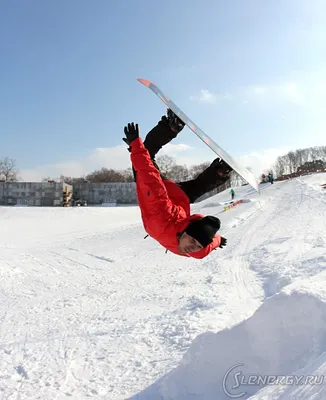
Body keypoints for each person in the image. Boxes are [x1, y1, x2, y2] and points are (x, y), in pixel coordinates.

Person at [122, 109, 232, 258]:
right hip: (169, 196)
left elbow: (208, 244)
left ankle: (172, 127)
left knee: (198, 186)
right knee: (147, 152)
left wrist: (217, 241)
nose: (191, 249)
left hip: (171, 198)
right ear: (188, 230)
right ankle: (220, 171)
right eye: (195, 242)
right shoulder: (199, 250)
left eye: (196, 245)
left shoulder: (199, 250)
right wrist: (135, 145)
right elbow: (151, 180)